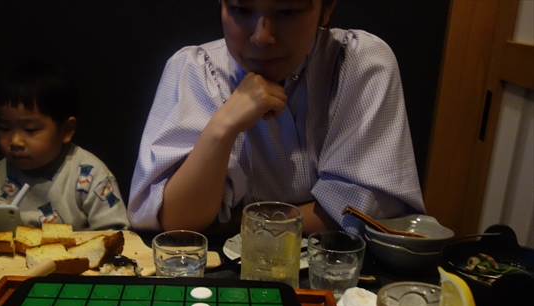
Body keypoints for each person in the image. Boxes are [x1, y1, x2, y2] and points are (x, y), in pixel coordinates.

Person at [128, 0, 425, 236]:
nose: (261, 37)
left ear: (326, 8)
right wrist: (222, 127)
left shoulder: (359, 62)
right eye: (241, 9)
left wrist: (235, 221)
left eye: (287, 11)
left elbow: (367, 209)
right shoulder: (194, 68)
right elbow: (177, 222)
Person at [0, 61, 131, 231]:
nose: (15, 141)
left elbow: (117, 232)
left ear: (66, 130)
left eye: (30, 129)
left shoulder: (89, 176)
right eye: (4, 128)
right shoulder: (0, 173)